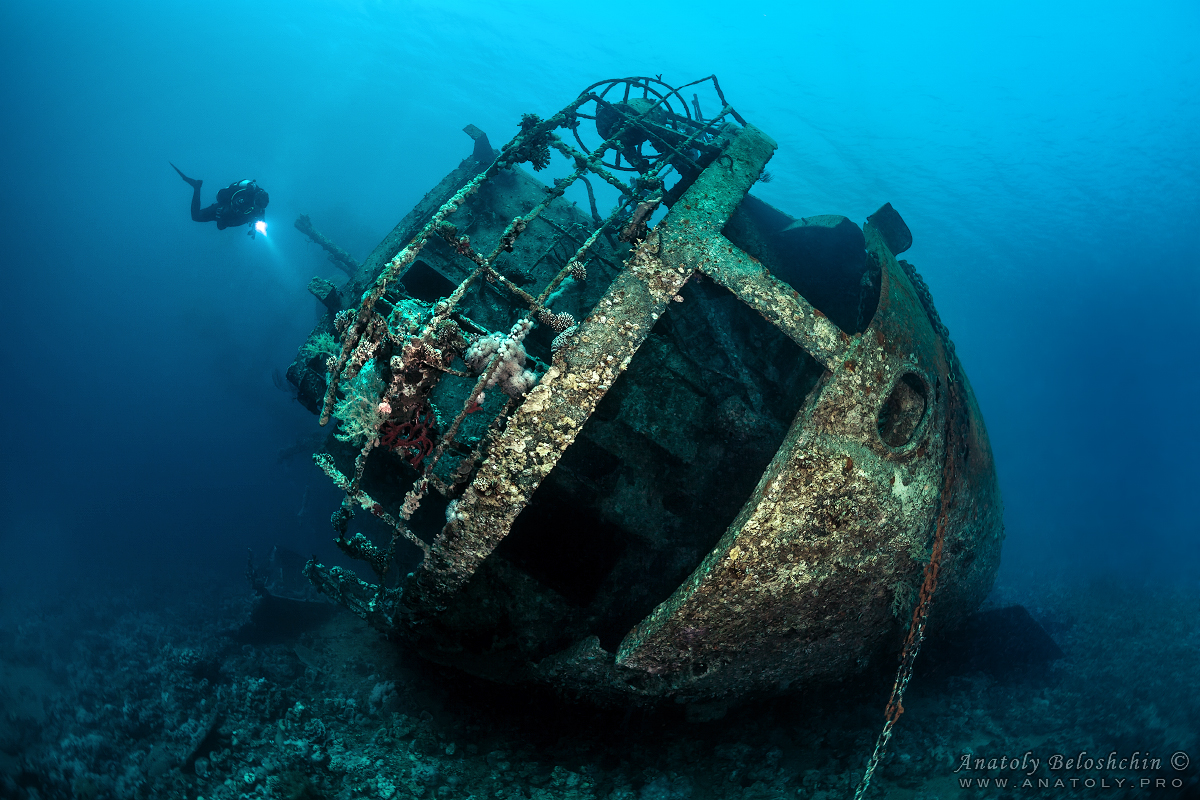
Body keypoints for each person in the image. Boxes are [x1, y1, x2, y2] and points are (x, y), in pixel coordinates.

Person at [171, 163, 269, 235]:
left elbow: (259, 219)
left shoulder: (259, 208)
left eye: (261, 207)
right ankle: (197, 187)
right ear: (256, 200)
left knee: (219, 226)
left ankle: (197, 187)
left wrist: (254, 229)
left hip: (228, 219)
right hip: (222, 210)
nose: (258, 209)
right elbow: (232, 206)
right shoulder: (245, 197)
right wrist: (224, 213)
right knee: (196, 216)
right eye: (258, 206)